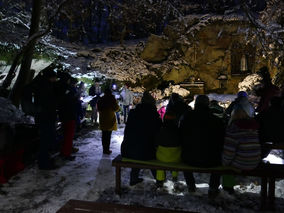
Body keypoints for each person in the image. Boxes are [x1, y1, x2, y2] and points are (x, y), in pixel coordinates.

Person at [179, 95, 225, 197]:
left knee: (185, 161)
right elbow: (222, 139)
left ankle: (191, 186)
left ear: (196, 104)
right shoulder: (216, 120)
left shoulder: (186, 118)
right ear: (207, 105)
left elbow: (180, 135)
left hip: (189, 158)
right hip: (212, 160)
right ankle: (213, 188)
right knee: (219, 161)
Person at [121, 91, 162, 185]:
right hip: (147, 151)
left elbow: (127, 132)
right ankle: (159, 180)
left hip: (129, 150)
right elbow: (158, 135)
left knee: (137, 147)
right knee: (149, 151)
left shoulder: (133, 113)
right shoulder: (154, 116)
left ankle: (133, 178)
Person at [22, 67, 58, 170]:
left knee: (45, 140)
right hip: (45, 117)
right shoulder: (44, 86)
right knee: (45, 141)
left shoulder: (40, 84)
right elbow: (48, 102)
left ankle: (45, 161)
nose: (55, 80)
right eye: (54, 78)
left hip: (42, 116)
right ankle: (44, 163)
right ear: (50, 77)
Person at [222, 106, 261, 193]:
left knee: (227, 167)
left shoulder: (233, 129)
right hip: (255, 161)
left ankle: (228, 189)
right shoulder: (254, 127)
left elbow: (229, 152)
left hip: (242, 163)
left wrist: (224, 163)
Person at [155, 108, 181, 187]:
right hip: (175, 157)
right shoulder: (178, 130)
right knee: (176, 157)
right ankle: (174, 175)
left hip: (162, 157)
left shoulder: (160, 129)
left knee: (160, 163)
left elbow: (156, 142)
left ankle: (159, 180)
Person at [56, 73, 78, 161]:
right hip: (69, 114)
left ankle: (63, 151)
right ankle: (66, 153)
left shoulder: (58, 87)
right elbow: (69, 101)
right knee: (69, 135)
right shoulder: (67, 88)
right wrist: (75, 99)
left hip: (62, 114)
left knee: (65, 134)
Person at [97, 88, 119, 154]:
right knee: (108, 135)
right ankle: (107, 149)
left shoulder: (101, 99)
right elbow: (116, 108)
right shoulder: (112, 99)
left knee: (104, 135)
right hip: (110, 118)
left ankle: (104, 149)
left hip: (103, 118)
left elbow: (99, 108)